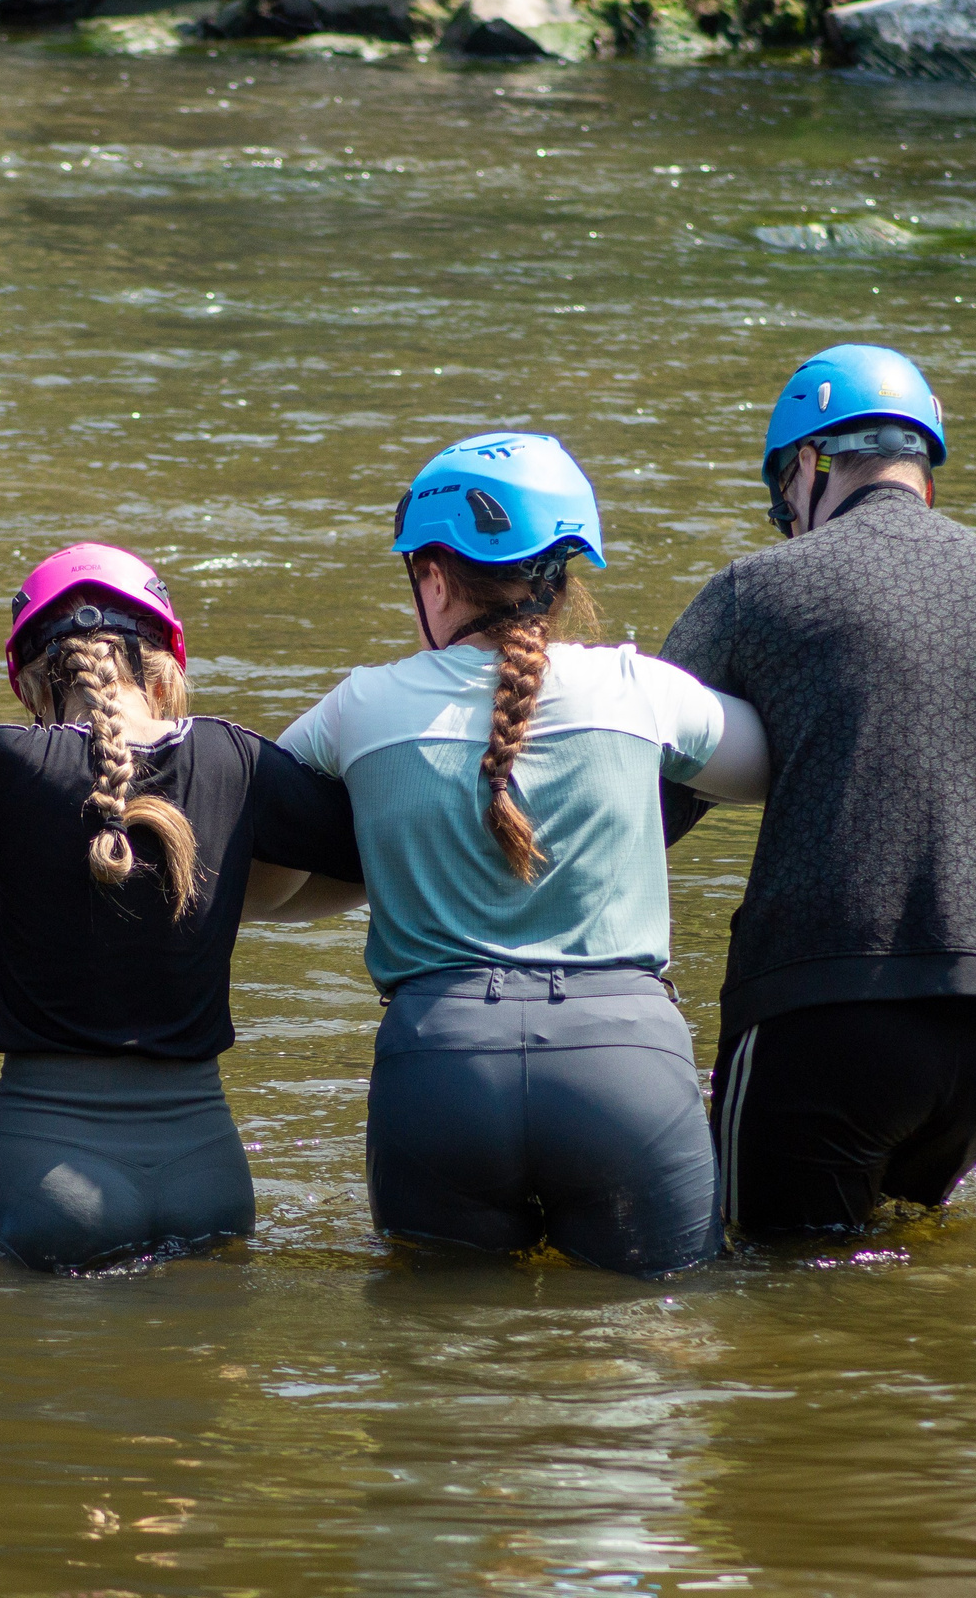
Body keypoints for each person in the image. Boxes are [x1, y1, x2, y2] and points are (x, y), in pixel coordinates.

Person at [658, 343, 976, 1236]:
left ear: (805, 467)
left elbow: (638, 797)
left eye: (783, 508)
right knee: (891, 1276)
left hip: (828, 1024)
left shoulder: (753, 591)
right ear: (923, 467)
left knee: (770, 1297)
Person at [278, 435, 769, 1277]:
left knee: (443, 1374)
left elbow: (263, 850)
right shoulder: (636, 688)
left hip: (437, 1071)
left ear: (432, 576)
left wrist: (395, 849)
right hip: (626, 1072)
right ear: (562, 575)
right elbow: (767, 766)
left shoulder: (357, 709)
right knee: (647, 1366)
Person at [0, 544, 364, 1272]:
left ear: (32, 681)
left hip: (47, 1175)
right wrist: (227, 890)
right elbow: (383, 856)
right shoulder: (239, 762)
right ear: (166, 660)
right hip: (209, 1169)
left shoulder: (3, 764)